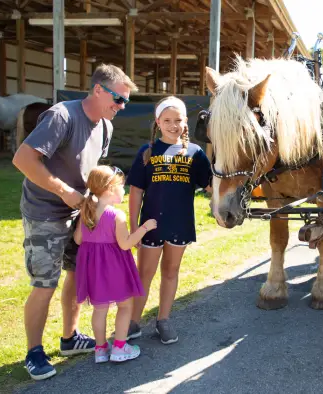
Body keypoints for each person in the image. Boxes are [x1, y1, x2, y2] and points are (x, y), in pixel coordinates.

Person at [12, 63, 136, 380]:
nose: (121, 107)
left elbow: (90, 175)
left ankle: (70, 338)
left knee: (77, 274)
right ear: (97, 90)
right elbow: (23, 159)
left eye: (125, 102)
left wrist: (98, 203)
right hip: (44, 212)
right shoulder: (62, 116)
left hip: (79, 213)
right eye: (118, 99)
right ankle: (34, 352)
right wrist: (64, 191)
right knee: (45, 283)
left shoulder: (105, 127)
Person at [125, 96, 212, 345]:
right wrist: (134, 227)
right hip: (150, 226)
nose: (173, 125)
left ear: (186, 122)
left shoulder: (195, 153)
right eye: (167, 120)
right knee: (145, 274)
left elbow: (209, 185)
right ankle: (133, 321)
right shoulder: (148, 152)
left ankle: (163, 320)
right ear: (158, 122)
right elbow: (136, 191)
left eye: (178, 120)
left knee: (171, 272)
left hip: (180, 224)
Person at [73, 165, 156, 363]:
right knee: (125, 306)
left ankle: (100, 350)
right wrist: (145, 228)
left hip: (92, 268)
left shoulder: (86, 211)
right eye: (121, 186)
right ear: (110, 189)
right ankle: (119, 347)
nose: (124, 189)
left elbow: (77, 240)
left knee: (99, 309)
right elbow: (125, 244)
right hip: (115, 267)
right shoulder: (117, 216)